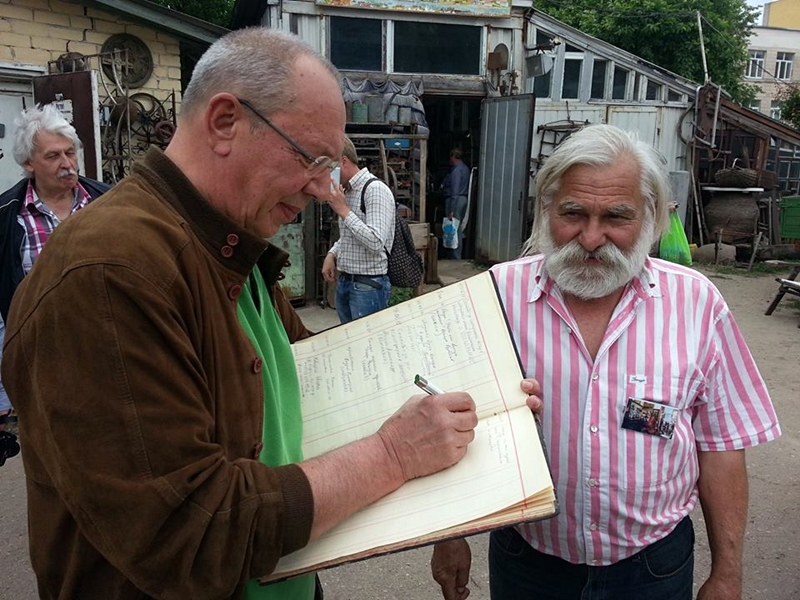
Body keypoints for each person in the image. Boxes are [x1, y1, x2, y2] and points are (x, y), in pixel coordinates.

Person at [1, 28, 493, 600]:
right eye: (311, 158)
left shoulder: (231, 245)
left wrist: (482, 398)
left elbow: (326, 388)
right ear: (225, 122)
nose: (322, 187)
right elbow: (190, 536)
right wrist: (392, 455)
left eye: (330, 165)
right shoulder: (110, 273)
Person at [431, 124, 781, 600]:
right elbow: (450, 421)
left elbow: (722, 445)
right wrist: (449, 537)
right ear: (547, 209)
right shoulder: (495, 296)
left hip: (653, 568)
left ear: (650, 218)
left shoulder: (697, 304)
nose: (592, 238)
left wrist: (727, 573)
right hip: (527, 559)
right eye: (573, 213)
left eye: (616, 216)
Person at [0, 104, 110, 437]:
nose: (67, 164)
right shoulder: (7, 216)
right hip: (43, 366)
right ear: (28, 163)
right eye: (53, 156)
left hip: (110, 354)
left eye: (70, 152)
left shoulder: (110, 201)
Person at [321, 135, 395, 323]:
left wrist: (343, 210)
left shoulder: (375, 189)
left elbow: (376, 242)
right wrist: (332, 254)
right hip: (346, 281)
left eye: (329, 168)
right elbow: (349, 235)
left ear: (343, 161)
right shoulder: (347, 191)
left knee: (368, 340)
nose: (327, 175)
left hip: (368, 285)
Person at [442, 148, 470, 260]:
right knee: (458, 228)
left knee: (453, 228)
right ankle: (456, 254)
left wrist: (452, 210)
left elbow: (455, 189)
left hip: (456, 200)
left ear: (453, 157)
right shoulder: (465, 168)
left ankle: (455, 255)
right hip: (463, 199)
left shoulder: (456, 170)